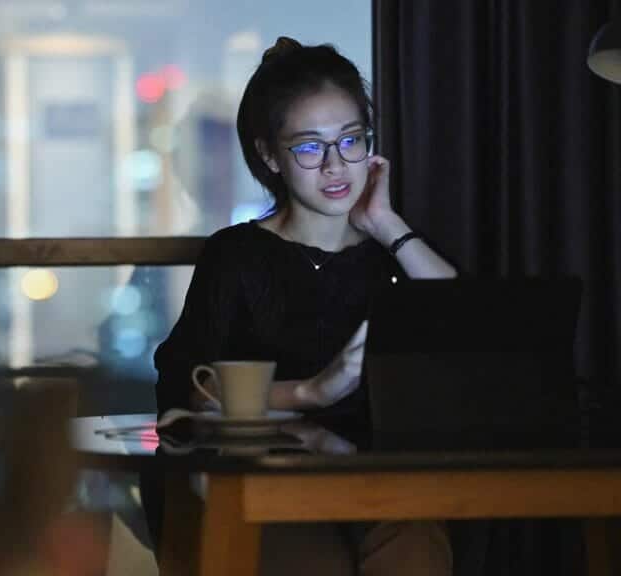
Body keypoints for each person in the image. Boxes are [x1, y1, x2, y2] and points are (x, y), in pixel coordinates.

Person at [152, 36, 457, 575]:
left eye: (351, 141)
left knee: (416, 553)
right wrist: (312, 390)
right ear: (270, 155)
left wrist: (386, 224)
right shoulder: (238, 255)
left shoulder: (389, 256)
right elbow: (189, 391)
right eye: (311, 147)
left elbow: (466, 318)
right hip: (265, 488)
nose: (337, 166)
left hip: (381, 486)